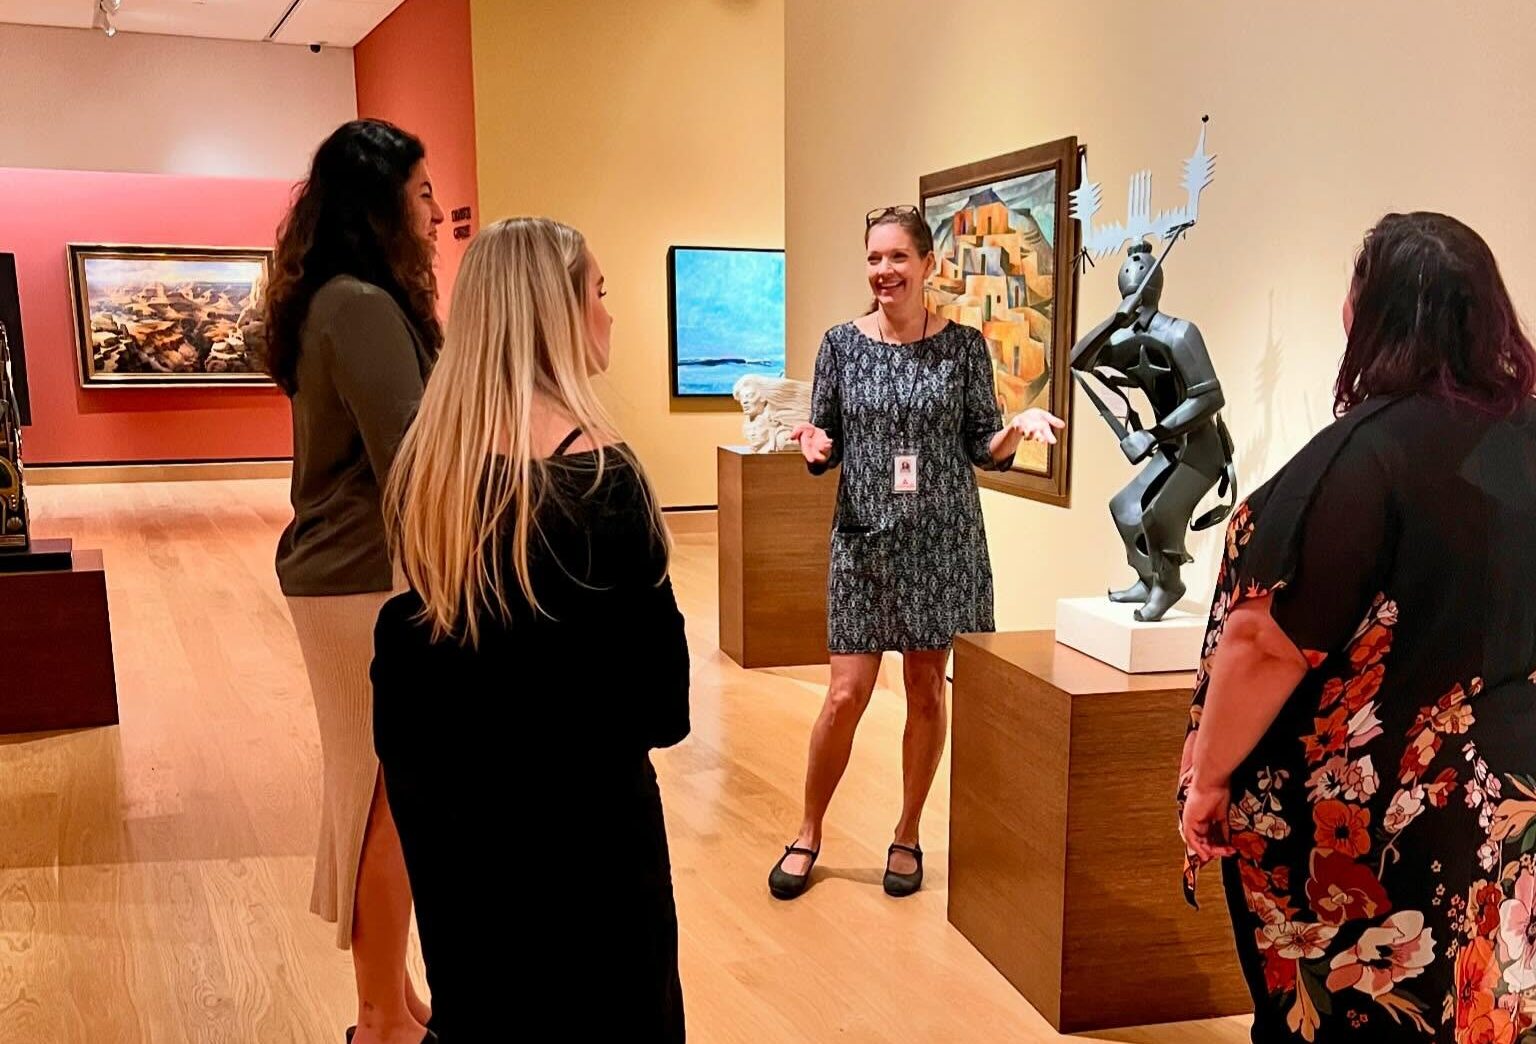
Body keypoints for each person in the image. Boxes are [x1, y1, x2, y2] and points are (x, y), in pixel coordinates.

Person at [1178, 212, 1536, 1042]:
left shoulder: (1360, 456)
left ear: (1373, 315)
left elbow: (1265, 640)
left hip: (1389, 822)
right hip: (1531, 793)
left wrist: (1210, 779)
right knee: (1511, 1009)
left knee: (1375, 1014)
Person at [371, 217, 691, 1042]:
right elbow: (662, 706)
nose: (610, 314)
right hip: (590, 850)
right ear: (555, 311)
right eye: (599, 292)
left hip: (461, 850)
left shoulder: (429, 469)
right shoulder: (607, 479)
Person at [769, 205, 1064, 900]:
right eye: (874, 258)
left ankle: (906, 833)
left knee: (927, 689)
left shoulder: (962, 348)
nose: (883, 271)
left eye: (898, 257)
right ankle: (808, 830)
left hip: (942, 541)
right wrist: (814, 445)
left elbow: (977, 444)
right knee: (845, 693)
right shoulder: (840, 343)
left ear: (928, 265)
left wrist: (1015, 429)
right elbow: (828, 433)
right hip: (864, 539)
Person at [265, 119, 442, 1044]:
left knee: (369, 788)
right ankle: (379, 1016)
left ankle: (391, 990)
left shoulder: (334, 298)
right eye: (420, 195)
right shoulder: (360, 305)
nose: (436, 211)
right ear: (380, 206)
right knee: (389, 792)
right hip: (362, 576)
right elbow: (412, 458)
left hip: (349, 571)